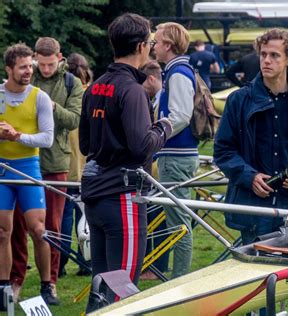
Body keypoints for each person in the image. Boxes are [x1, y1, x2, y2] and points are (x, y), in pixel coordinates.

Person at [214, 28, 288, 314]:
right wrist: (249, 176)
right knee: (262, 292)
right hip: (255, 209)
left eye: (274, 55)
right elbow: (223, 152)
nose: (266, 60)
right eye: (263, 54)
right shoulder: (239, 100)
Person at [79, 13, 172, 312]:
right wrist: (163, 128)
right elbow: (141, 147)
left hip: (94, 196)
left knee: (101, 288)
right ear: (142, 46)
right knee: (122, 292)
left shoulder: (95, 87)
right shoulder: (132, 90)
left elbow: (84, 144)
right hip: (123, 199)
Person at [10, 36, 84, 302]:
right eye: (40, 64)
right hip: (21, 161)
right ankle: (15, 278)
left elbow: (75, 119)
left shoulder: (71, 83)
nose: (44, 69)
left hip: (54, 162)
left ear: (60, 58)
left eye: (50, 64)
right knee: (15, 226)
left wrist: (51, 106)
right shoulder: (27, 77)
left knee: (50, 228)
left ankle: (50, 281)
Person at [0, 43, 58, 305]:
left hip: (27, 167)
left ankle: (48, 286)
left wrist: (17, 136)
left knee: (38, 229)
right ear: (9, 69)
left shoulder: (39, 97)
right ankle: (4, 288)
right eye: (23, 67)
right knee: (3, 231)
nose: (28, 71)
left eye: (29, 67)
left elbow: (47, 138)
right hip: (2, 168)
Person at [153, 22, 199, 279]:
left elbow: (181, 115)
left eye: (156, 42)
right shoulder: (174, 70)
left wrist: (157, 133)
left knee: (178, 221)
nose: (153, 47)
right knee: (176, 218)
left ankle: (180, 279)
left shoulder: (178, 72)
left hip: (177, 155)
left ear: (168, 45)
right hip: (175, 154)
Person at [58, 53, 92, 278]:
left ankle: (59, 263)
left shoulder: (63, 93)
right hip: (86, 162)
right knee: (86, 216)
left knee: (63, 216)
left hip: (65, 161)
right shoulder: (93, 93)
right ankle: (86, 261)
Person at [139, 59, 170, 280]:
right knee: (157, 216)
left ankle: (157, 266)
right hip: (158, 162)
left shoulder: (161, 100)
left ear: (150, 78)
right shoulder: (158, 98)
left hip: (161, 163)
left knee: (159, 217)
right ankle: (154, 264)